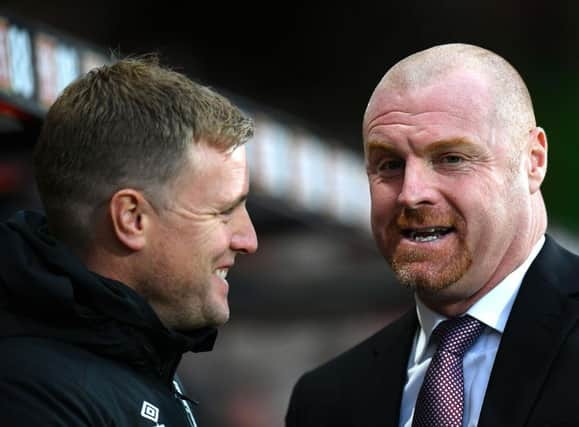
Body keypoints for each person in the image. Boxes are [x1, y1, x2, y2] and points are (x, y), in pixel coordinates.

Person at [286, 43, 579, 426]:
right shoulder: (327, 401)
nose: (411, 193)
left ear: (532, 161)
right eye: (389, 164)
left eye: (451, 158)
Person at [0, 56, 258, 426]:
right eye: (223, 211)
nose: (248, 239)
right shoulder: (28, 393)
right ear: (131, 219)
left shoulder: (141, 363)